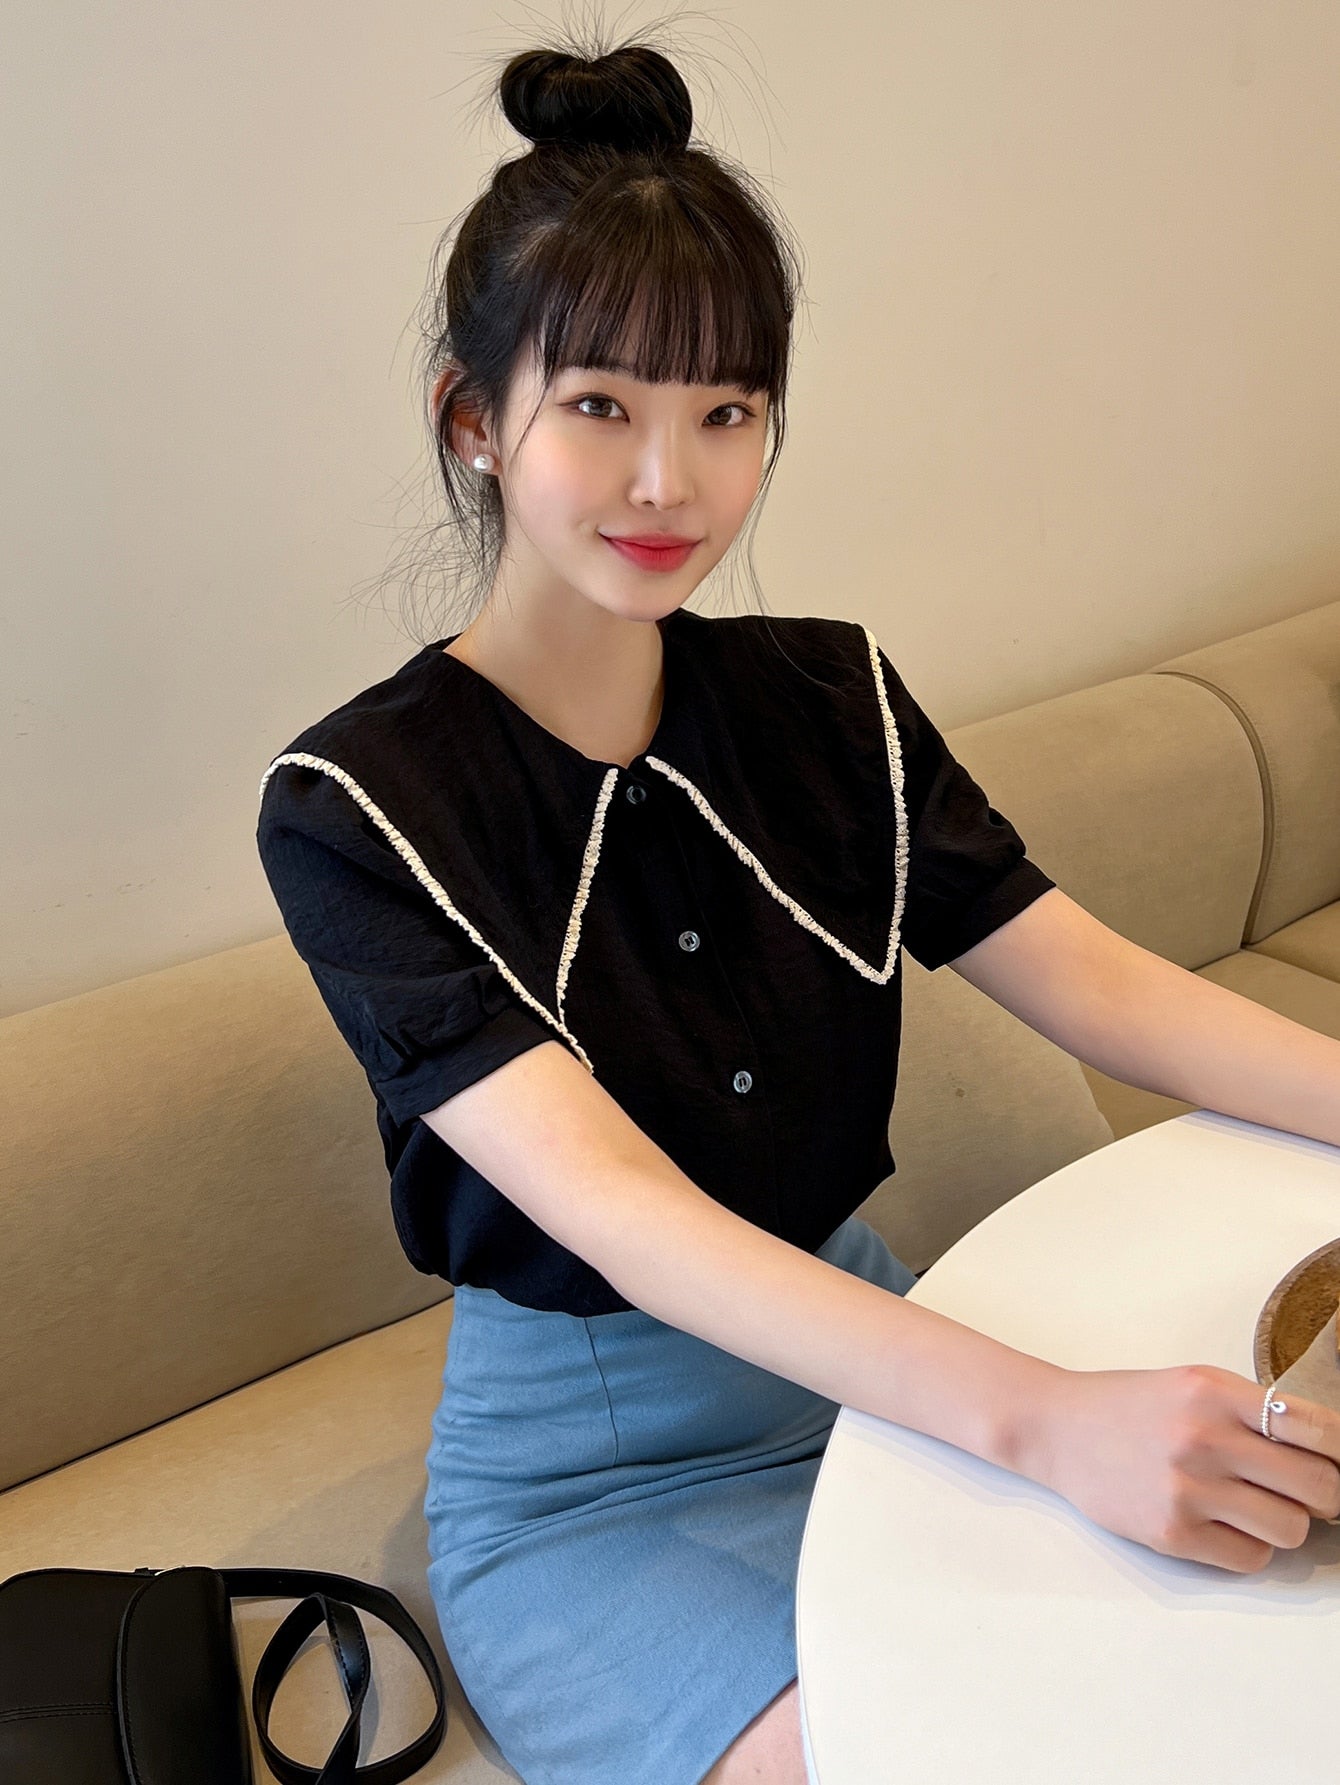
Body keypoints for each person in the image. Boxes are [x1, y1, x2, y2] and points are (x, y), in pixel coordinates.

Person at [255, 31, 1340, 1785]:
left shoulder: (829, 700)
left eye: (727, 412)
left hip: (881, 1353)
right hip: (598, 1484)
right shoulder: (358, 807)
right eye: (600, 406)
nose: (670, 481)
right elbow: (627, 1217)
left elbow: (1097, 983)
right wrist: (1048, 1421)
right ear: (474, 420)